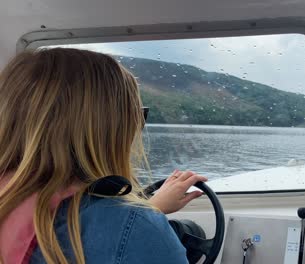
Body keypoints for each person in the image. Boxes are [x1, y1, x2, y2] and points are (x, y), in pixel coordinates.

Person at [0, 48, 206, 264]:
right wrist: (142, 219)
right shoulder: (137, 229)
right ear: (114, 128)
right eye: (138, 115)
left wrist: (149, 209)